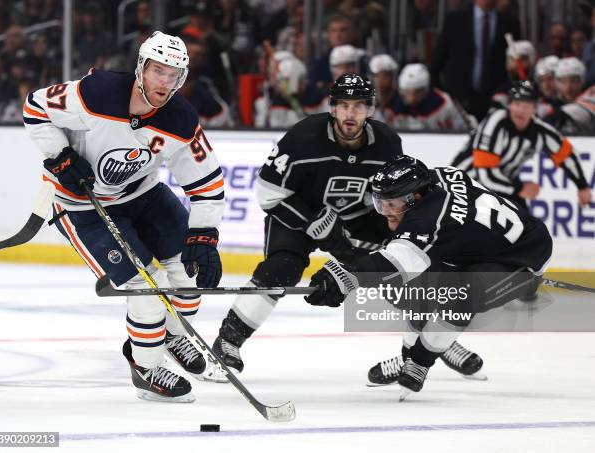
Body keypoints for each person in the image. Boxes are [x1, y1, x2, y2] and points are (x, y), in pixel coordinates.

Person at [23, 31, 225, 402]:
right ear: (141, 68)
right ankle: (146, 368)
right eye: (158, 71)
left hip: (144, 195)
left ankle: (174, 336)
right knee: (146, 290)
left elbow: (207, 185)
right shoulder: (96, 93)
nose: (165, 81)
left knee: (187, 276)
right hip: (82, 206)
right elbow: (35, 107)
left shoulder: (180, 119)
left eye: (174, 74)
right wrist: (61, 156)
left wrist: (204, 236)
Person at [304, 155, 554, 398]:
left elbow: (389, 264)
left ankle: (419, 361)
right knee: (416, 285)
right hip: (479, 247)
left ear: (415, 198)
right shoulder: (437, 177)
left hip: (522, 257)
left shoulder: (428, 221)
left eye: (392, 204)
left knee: (460, 298)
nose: (385, 211)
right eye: (382, 203)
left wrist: (344, 274)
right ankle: (418, 352)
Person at [210, 74, 404, 374]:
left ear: (371, 110)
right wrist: (311, 220)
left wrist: (374, 239)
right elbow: (267, 194)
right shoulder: (303, 137)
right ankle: (228, 340)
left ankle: (429, 337)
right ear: (332, 107)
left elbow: (389, 193)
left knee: (391, 261)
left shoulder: (388, 143)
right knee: (281, 269)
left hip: (353, 217)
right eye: (343, 105)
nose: (350, 114)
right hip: (296, 215)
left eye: (358, 106)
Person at [452, 81, 591, 210]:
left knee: (524, 228)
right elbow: (485, 174)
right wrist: (519, 189)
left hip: (499, 188)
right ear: (509, 105)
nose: (520, 110)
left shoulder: (540, 132)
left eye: (526, 105)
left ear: (534, 109)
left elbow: (566, 155)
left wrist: (582, 186)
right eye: (517, 104)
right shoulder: (496, 122)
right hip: (461, 188)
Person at [430, 0, 521, 120]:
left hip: (495, 100)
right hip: (459, 99)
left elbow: (515, 63)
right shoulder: (456, 19)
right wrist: (442, 95)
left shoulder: (509, 23)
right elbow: (438, 60)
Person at [388, 63, 474, 132]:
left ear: (426, 90)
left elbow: (465, 129)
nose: (412, 98)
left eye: (417, 92)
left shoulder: (444, 104)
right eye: (407, 92)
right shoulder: (393, 106)